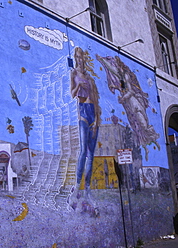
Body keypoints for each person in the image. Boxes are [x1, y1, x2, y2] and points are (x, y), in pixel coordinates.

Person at [68, 47, 101, 213]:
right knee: (82, 151)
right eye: (77, 57)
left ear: (84, 59)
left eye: (81, 57)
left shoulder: (90, 78)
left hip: (92, 113)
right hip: (82, 113)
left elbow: (94, 98)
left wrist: (97, 120)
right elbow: (72, 94)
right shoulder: (74, 74)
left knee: (91, 154)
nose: (79, 60)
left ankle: (87, 189)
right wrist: (78, 86)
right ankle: (77, 186)